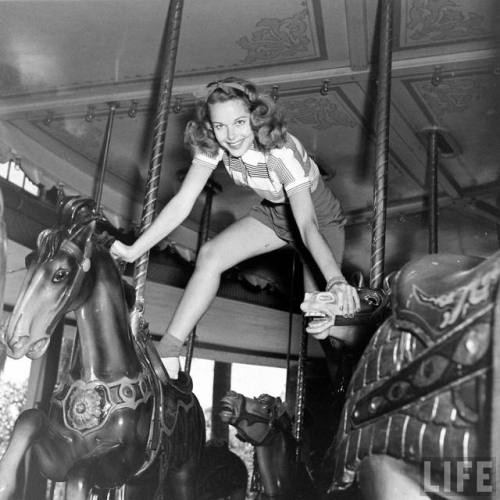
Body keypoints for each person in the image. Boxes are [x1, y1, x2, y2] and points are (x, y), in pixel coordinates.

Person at [110, 76, 360, 379]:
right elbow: (182, 203)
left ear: (256, 117)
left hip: (319, 220)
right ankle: (169, 350)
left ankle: (359, 342)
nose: (230, 135)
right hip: (276, 215)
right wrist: (136, 248)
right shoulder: (215, 146)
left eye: (240, 122)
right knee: (211, 255)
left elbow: (306, 225)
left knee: (321, 323)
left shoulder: (279, 154)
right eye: (220, 126)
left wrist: (334, 279)